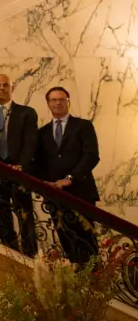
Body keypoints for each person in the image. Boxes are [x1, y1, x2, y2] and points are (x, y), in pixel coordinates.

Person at [35, 86, 100, 264]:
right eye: (54, 100)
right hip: (56, 196)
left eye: (62, 99)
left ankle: (95, 281)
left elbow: (92, 156)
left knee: (87, 240)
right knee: (66, 240)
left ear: (68, 102)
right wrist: (45, 182)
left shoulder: (83, 126)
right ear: (48, 103)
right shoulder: (42, 133)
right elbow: (38, 162)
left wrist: (69, 179)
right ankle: (77, 279)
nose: (58, 103)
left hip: (81, 192)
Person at [0, 74, 38, 256]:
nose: (1, 88)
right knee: (0, 213)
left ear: (12, 88)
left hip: (18, 172)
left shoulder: (26, 113)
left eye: (5, 85)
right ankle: (10, 251)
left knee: (25, 215)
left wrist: (22, 166)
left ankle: (30, 254)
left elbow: (30, 143)